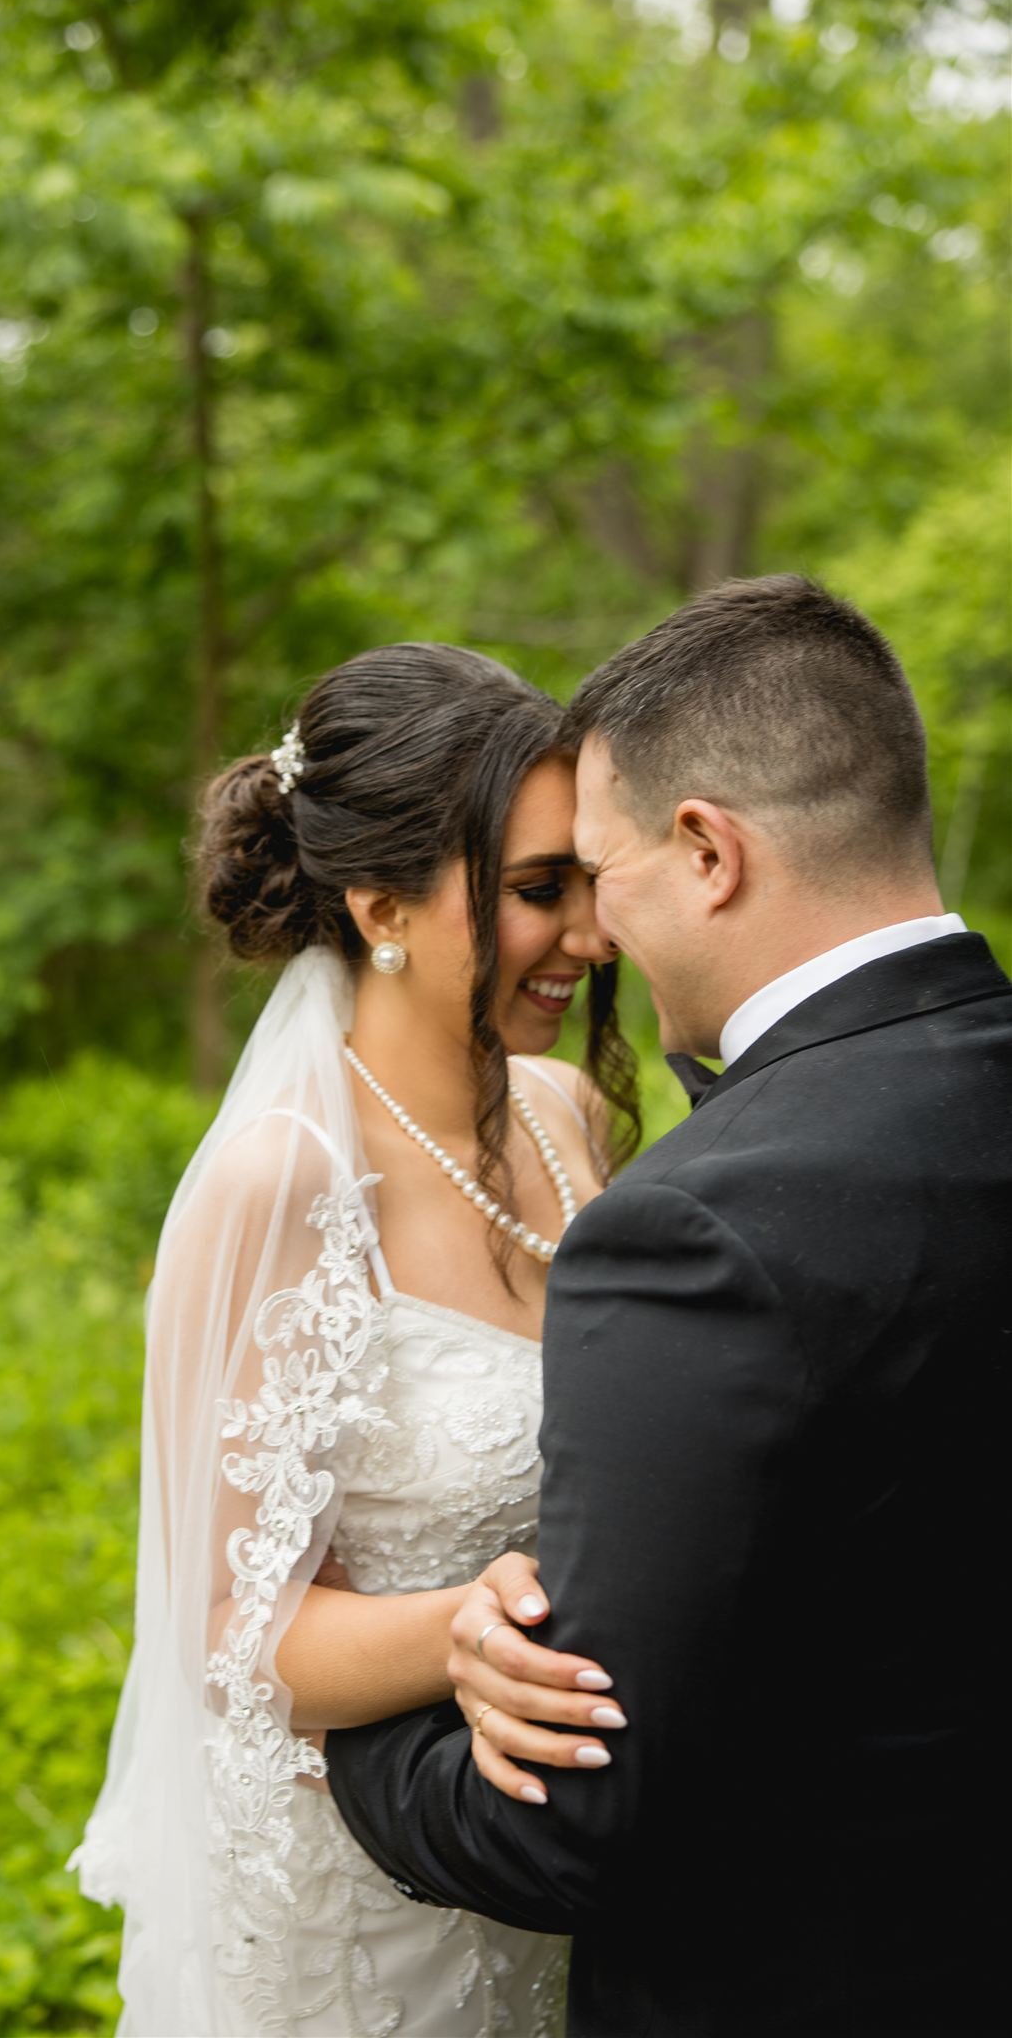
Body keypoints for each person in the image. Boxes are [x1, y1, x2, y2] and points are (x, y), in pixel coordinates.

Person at [325, 576, 1010, 2037]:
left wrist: (337, 1733)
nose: (595, 939)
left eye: (599, 870)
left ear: (705, 852)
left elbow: (562, 1828)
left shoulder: (693, 1229)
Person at [69, 643, 640, 2035]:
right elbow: (226, 1638)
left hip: (552, 1849)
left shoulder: (571, 1118)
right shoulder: (283, 1186)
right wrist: (464, 1628)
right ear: (382, 905)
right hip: (364, 1909)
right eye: (533, 893)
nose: (589, 937)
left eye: (585, 882)